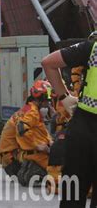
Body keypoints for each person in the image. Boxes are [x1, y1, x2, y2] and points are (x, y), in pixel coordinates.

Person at [41, 32, 97, 207]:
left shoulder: (92, 48)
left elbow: (48, 63)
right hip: (84, 128)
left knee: (73, 194)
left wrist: (64, 97)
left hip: (83, 128)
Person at [14, 80, 53, 186]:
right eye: (47, 100)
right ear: (41, 98)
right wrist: (38, 145)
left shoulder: (32, 109)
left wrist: (50, 141)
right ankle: (35, 171)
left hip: (34, 152)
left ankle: (32, 170)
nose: (48, 103)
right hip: (38, 154)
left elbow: (41, 132)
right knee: (60, 171)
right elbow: (22, 128)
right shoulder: (33, 112)